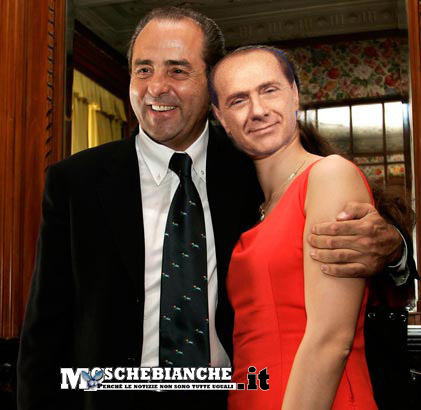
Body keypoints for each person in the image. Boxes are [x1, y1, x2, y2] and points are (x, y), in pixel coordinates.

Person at [17, 7, 411, 410]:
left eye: (177, 70)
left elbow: (346, 231)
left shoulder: (255, 164)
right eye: (144, 69)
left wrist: (394, 251)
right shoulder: (76, 183)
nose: (157, 87)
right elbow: (44, 333)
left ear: (210, 90)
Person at [209, 45, 416, 410]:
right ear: (221, 118)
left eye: (269, 90)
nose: (257, 110)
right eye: (238, 100)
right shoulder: (247, 202)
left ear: (295, 95)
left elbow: (331, 340)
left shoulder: (328, 175)